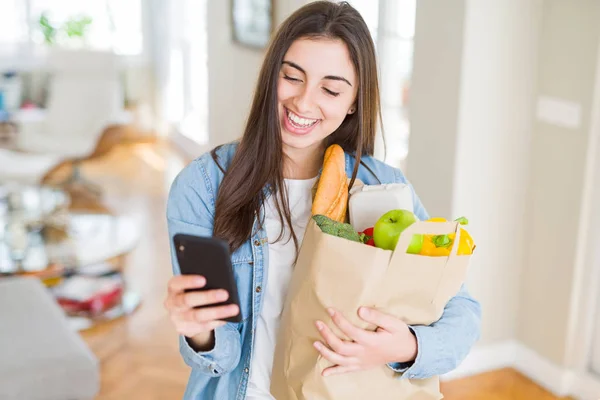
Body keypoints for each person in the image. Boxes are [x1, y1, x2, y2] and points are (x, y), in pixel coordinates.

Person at [164, 1, 481, 399]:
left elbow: (463, 311)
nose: (303, 102)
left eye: (330, 89)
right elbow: (221, 358)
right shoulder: (203, 186)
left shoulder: (384, 187)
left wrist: (406, 347)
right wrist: (198, 330)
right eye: (292, 77)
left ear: (353, 102)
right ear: (270, 77)